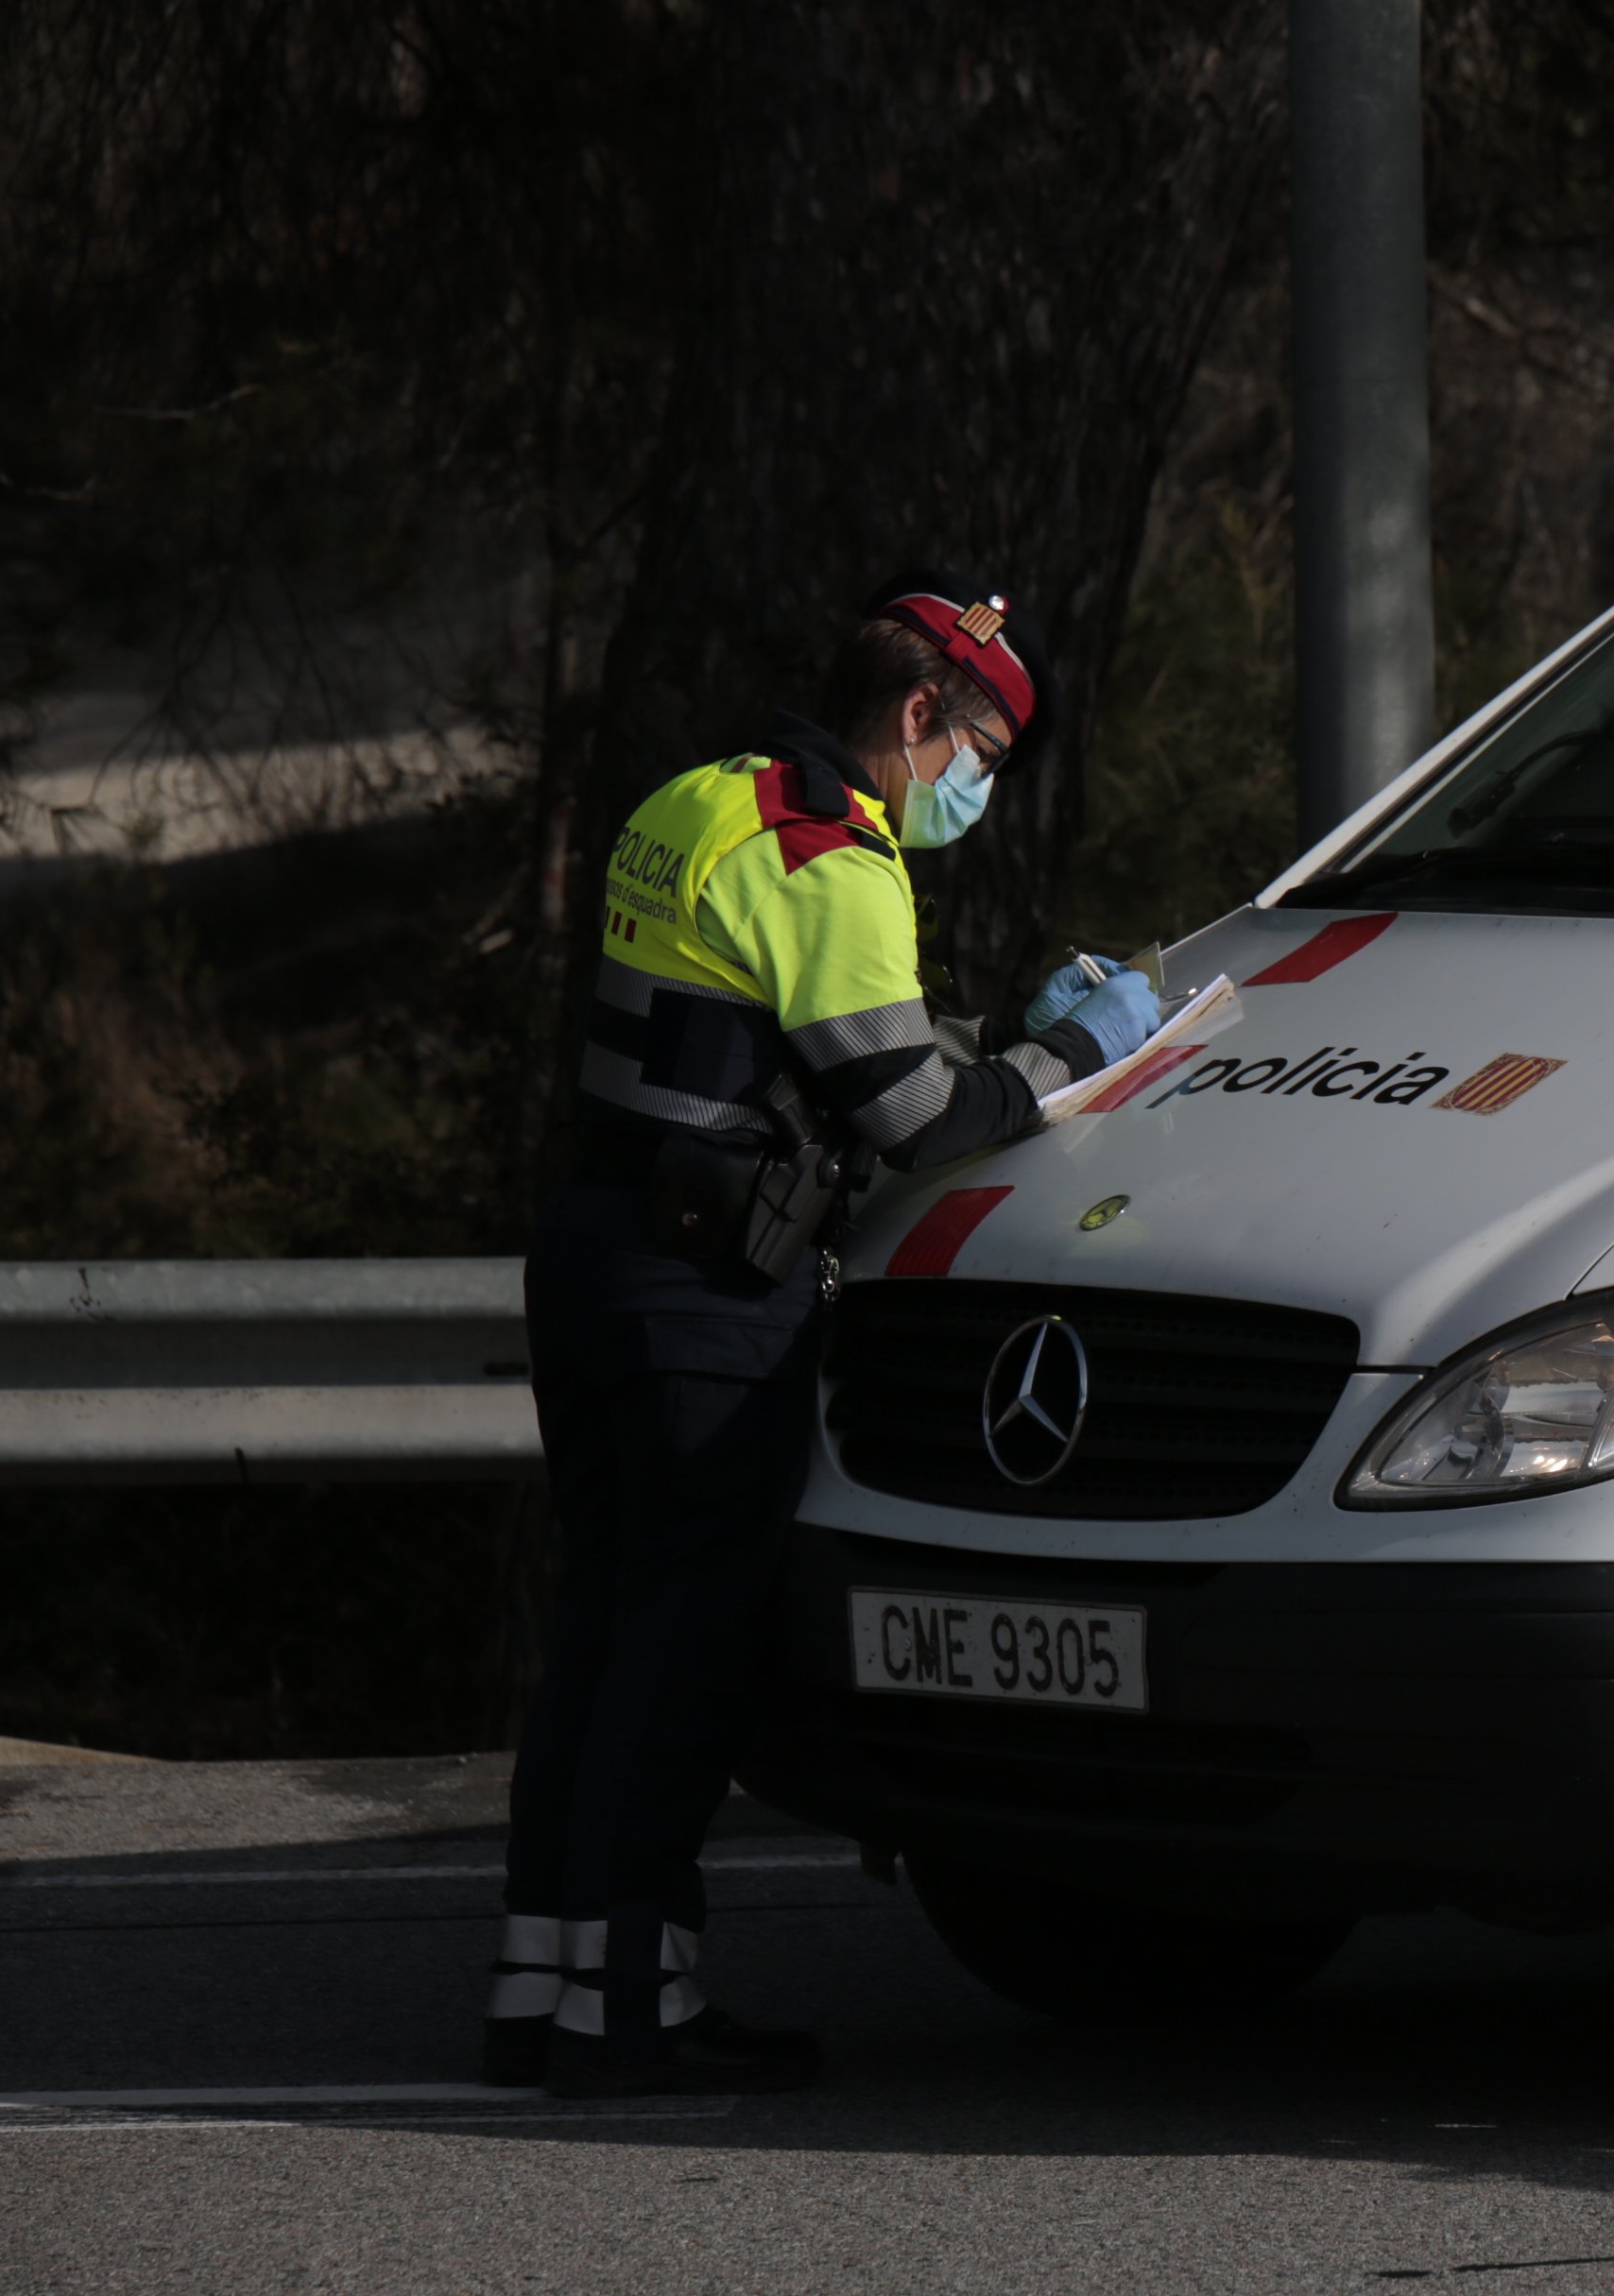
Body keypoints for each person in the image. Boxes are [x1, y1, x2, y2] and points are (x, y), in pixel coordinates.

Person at [485, 573, 1166, 2098]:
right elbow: (908, 1113)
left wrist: (979, 1033)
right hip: (708, 1299)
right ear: (920, 715)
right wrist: (1072, 1054)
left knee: (598, 1633)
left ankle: (543, 1987)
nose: (974, 790)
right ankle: (630, 2016)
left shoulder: (701, 798)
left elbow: (756, 1024)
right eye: (978, 753)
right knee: (682, 1657)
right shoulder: (837, 857)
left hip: (593, 1252)